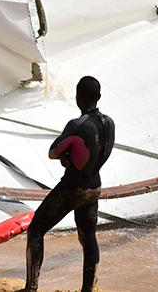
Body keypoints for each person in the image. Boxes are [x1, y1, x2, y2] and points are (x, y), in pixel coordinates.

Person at [21, 76, 114, 292]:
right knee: (88, 235)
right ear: (99, 97)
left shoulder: (77, 124)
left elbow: (53, 152)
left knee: (36, 229)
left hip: (74, 186)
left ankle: (31, 287)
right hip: (95, 186)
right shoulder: (110, 123)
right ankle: (88, 288)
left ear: (78, 98)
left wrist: (67, 155)